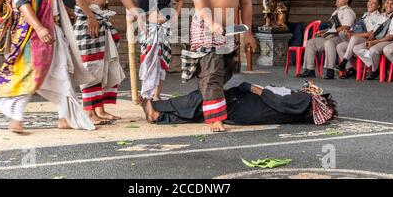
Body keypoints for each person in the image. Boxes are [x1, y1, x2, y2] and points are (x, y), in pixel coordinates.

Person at [0, 0, 95, 133]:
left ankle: (64, 117)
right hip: (31, 33)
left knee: (62, 70)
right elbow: (21, 3)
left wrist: (67, 12)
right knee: (30, 72)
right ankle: (15, 119)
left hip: (54, 29)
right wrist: (39, 28)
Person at [182, 0, 256, 132]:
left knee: (226, 70)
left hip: (230, 29)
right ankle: (215, 118)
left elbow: (246, 3)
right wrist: (211, 22)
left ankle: (190, 106)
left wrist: (247, 32)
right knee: (212, 71)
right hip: (206, 26)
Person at [73, 0, 144, 125]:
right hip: (88, 17)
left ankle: (100, 110)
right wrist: (90, 16)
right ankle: (89, 112)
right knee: (90, 64)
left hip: (102, 17)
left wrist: (136, 13)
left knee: (103, 65)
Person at [140, 81, 336, 126]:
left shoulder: (304, 100)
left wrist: (255, 89)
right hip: (248, 107)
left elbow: (279, 101)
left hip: (248, 105)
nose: (309, 87)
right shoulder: (301, 104)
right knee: (206, 112)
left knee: (203, 98)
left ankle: (158, 108)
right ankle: (160, 116)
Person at [126, 0, 184, 101]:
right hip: (147, 28)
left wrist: (175, 15)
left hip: (164, 29)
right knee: (147, 59)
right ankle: (145, 93)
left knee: (162, 61)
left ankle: (156, 95)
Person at [297, 0, 356, 79]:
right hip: (332, 35)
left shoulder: (348, 11)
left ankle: (330, 70)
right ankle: (309, 70)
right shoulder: (336, 11)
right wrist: (323, 31)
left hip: (342, 37)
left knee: (329, 43)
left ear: (346, 0)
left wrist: (332, 32)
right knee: (311, 42)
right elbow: (331, 26)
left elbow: (347, 27)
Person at [353, 0, 393, 80]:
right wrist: (368, 41)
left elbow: (391, 37)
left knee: (373, 50)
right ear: (384, 4)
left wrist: (374, 42)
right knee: (356, 48)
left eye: (392, 4)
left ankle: (374, 70)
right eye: (387, 3)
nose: (389, 5)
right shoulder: (381, 16)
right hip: (378, 40)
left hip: (390, 41)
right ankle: (375, 65)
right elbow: (374, 32)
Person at [336, 0, 383, 79]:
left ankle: (344, 61)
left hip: (369, 40)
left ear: (378, 6)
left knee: (354, 39)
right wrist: (349, 32)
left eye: (374, 3)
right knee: (340, 46)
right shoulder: (365, 15)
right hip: (358, 40)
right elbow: (358, 28)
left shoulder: (378, 17)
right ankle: (350, 69)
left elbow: (370, 34)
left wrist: (354, 35)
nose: (370, 4)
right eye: (369, 1)